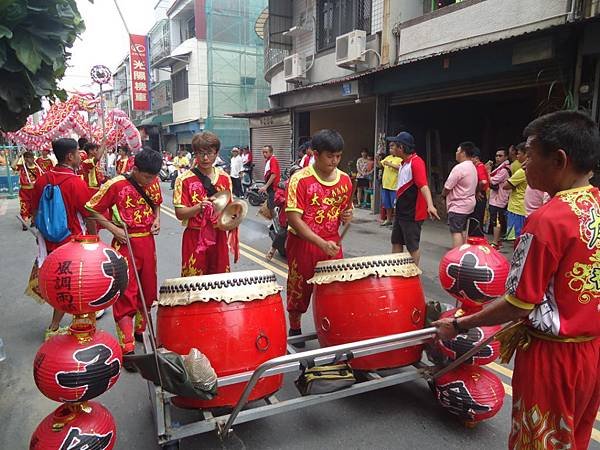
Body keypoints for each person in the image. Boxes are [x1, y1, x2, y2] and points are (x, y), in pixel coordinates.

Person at [433, 110, 600, 450]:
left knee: (536, 441)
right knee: (575, 439)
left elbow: (518, 303)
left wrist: (461, 325)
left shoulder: (547, 220)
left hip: (553, 361)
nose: (522, 164)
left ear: (559, 159)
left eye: (529, 153)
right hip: (592, 353)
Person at [85, 148, 163, 362]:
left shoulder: (153, 181)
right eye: (146, 177)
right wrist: (113, 229)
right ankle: (126, 346)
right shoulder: (116, 184)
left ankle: (140, 329)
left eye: (154, 177)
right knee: (126, 293)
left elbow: (155, 203)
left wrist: (157, 219)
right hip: (124, 244)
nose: (150, 181)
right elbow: (91, 208)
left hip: (147, 242)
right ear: (135, 169)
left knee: (148, 291)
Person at [286, 129, 353, 341]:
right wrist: (319, 242)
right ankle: (295, 326)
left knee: (334, 289)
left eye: (338, 156)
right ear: (316, 154)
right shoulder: (300, 180)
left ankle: (329, 328)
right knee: (300, 287)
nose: (335, 161)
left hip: (332, 242)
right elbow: (294, 219)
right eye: (330, 156)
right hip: (304, 242)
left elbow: (345, 211)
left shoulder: (345, 180)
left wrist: (348, 215)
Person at [31, 138, 96, 340]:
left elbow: (34, 212)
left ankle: (54, 326)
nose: (80, 155)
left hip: (49, 243)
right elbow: (89, 215)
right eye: (77, 152)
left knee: (59, 284)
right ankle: (82, 327)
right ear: (70, 156)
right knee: (77, 284)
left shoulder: (42, 180)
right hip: (73, 242)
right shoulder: (75, 182)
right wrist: (94, 239)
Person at [174, 132, 233, 276]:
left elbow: (230, 211)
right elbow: (180, 214)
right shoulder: (184, 180)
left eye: (210, 153)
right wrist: (199, 207)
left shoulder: (225, 178)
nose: (205, 158)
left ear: (216, 153)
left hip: (218, 235)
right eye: (200, 153)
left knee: (220, 281)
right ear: (195, 154)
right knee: (193, 283)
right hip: (194, 235)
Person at [388, 132, 439, 266]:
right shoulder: (404, 163)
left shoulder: (416, 163)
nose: (392, 148)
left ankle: (413, 274)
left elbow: (423, 186)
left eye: (395, 145)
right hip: (401, 210)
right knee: (396, 241)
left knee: (412, 246)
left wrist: (430, 205)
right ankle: (396, 271)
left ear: (402, 148)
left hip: (412, 213)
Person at [442, 141, 478, 248]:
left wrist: (443, 195)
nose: (456, 153)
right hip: (468, 204)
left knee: (456, 231)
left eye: (458, 150)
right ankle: (463, 252)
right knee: (462, 230)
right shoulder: (472, 167)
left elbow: (448, 187)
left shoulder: (459, 168)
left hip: (458, 205)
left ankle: (457, 255)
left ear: (463, 152)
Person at [504, 142, 528, 241]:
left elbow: (506, 186)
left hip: (517, 207)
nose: (517, 156)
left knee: (516, 239)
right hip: (525, 207)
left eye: (518, 153)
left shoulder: (522, 171)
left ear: (526, 154)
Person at [488, 147, 511, 249]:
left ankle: (495, 243)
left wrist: (487, 171)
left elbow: (492, 181)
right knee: (497, 220)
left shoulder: (504, 170)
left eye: (500, 156)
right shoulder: (500, 168)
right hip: (496, 198)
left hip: (499, 199)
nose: (497, 158)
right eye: (496, 155)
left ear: (506, 157)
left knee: (496, 221)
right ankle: (498, 241)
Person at [13, 151, 43, 229]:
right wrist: (18, 157)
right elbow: (13, 166)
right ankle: (24, 222)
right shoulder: (22, 167)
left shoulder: (37, 168)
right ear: (25, 159)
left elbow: (41, 179)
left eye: (32, 157)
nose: (32, 159)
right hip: (24, 191)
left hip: (34, 191)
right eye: (30, 158)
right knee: (24, 207)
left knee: (34, 206)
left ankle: (33, 221)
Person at [378, 143, 403, 227]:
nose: (390, 149)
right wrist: (377, 160)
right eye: (390, 148)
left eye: (392, 148)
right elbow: (380, 165)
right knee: (387, 204)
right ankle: (388, 220)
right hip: (386, 184)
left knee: (395, 205)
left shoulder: (400, 158)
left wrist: (389, 164)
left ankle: (396, 222)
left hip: (394, 186)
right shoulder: (388, 157)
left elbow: (400, 167)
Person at [469, 147, 490, 237]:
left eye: (471, 158)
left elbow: (483, 181)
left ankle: (476, 239)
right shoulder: (478, 167)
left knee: (476, 219)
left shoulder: (480, 167)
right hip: (479, 194)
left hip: (480, 195)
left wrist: (477, 191)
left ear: (476, 158)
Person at [258, 145, 281, 216]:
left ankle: (276, 224)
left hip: (273, 187)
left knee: (272, 206)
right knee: (270, 205)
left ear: (271, 152)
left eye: (266, 152)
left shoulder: (273, 160)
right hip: (270, 187)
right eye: (263, 152)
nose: (264, 154)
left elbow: (273, 175)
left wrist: (265, 186)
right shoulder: (268, 160)